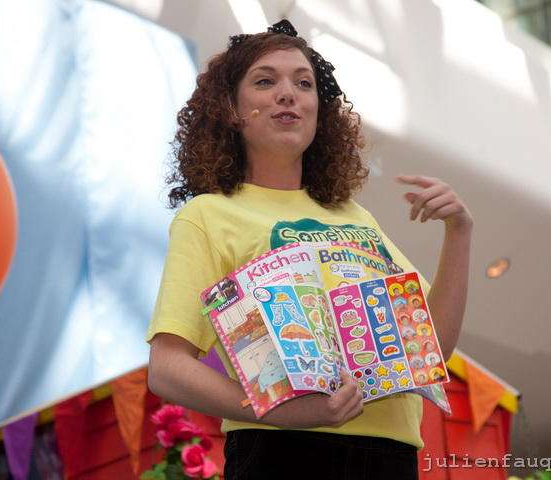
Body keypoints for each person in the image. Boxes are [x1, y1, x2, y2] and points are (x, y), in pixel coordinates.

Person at [146, 19, 472, 479]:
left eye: (304, 83)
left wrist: (459, 232)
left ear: (320, 110)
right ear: (231, 110)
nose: (288, 93)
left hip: (393, 457)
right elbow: (167, 369)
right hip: (281, 452)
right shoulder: (208, 214)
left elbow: (432, 347)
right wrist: (279, 412)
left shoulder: (356, 218)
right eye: (265, 81)